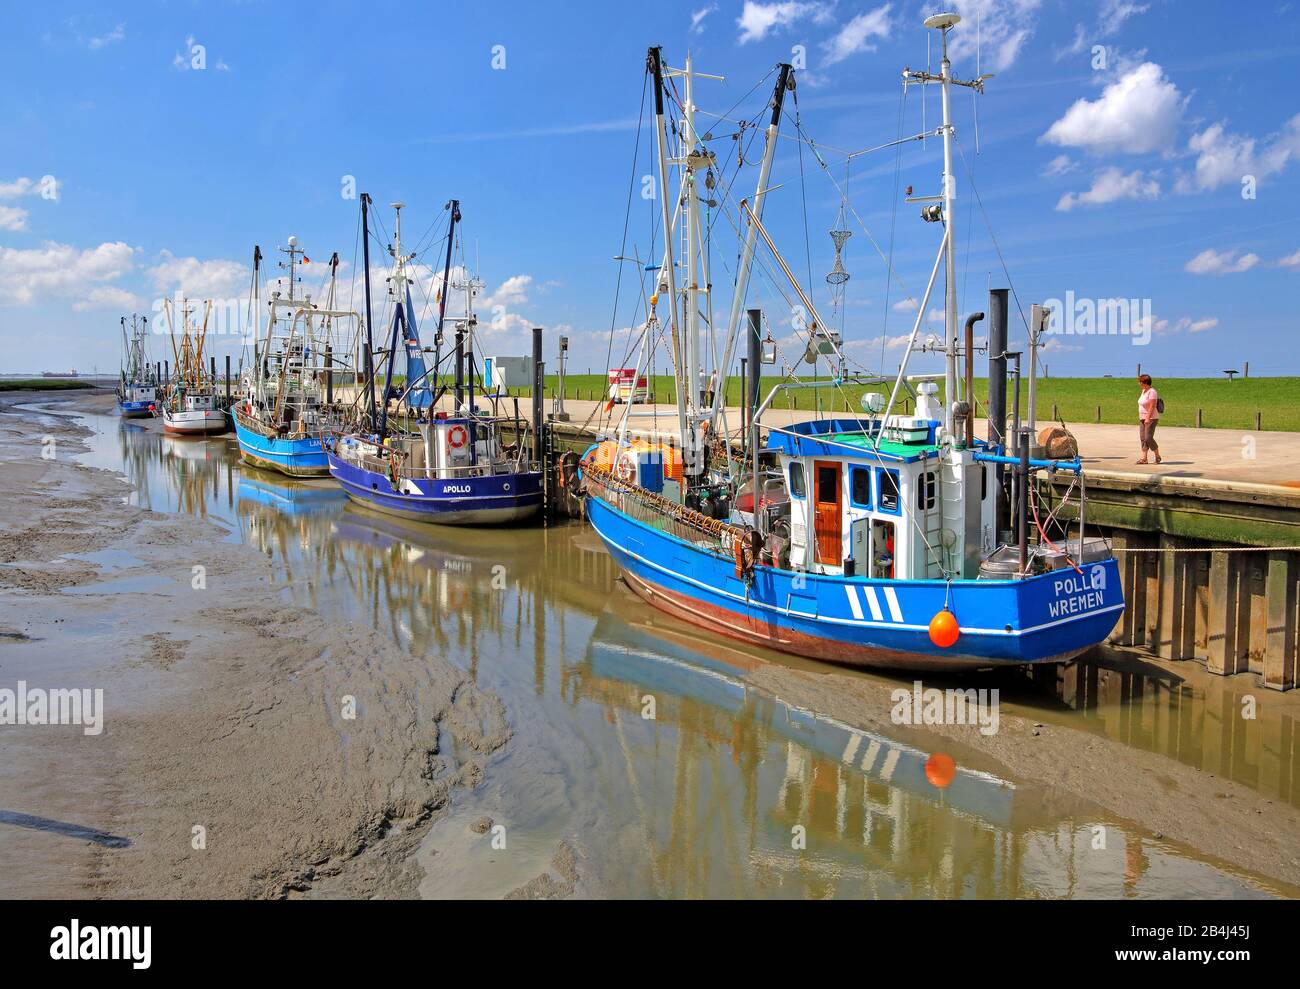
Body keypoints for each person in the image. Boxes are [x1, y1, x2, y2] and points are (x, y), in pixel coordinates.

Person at [1137, 373, 1162, 465]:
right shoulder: (1144, 391)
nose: (1139, 383)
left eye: (1140, 382)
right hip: (1142, 418)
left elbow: (1152, 406)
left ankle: (1157, 456)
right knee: (1143, 438)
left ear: (1145, 382)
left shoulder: (1152, 392)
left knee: (1148, 438)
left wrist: (1147, 418)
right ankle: (1144, 458)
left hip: (1151, 418)